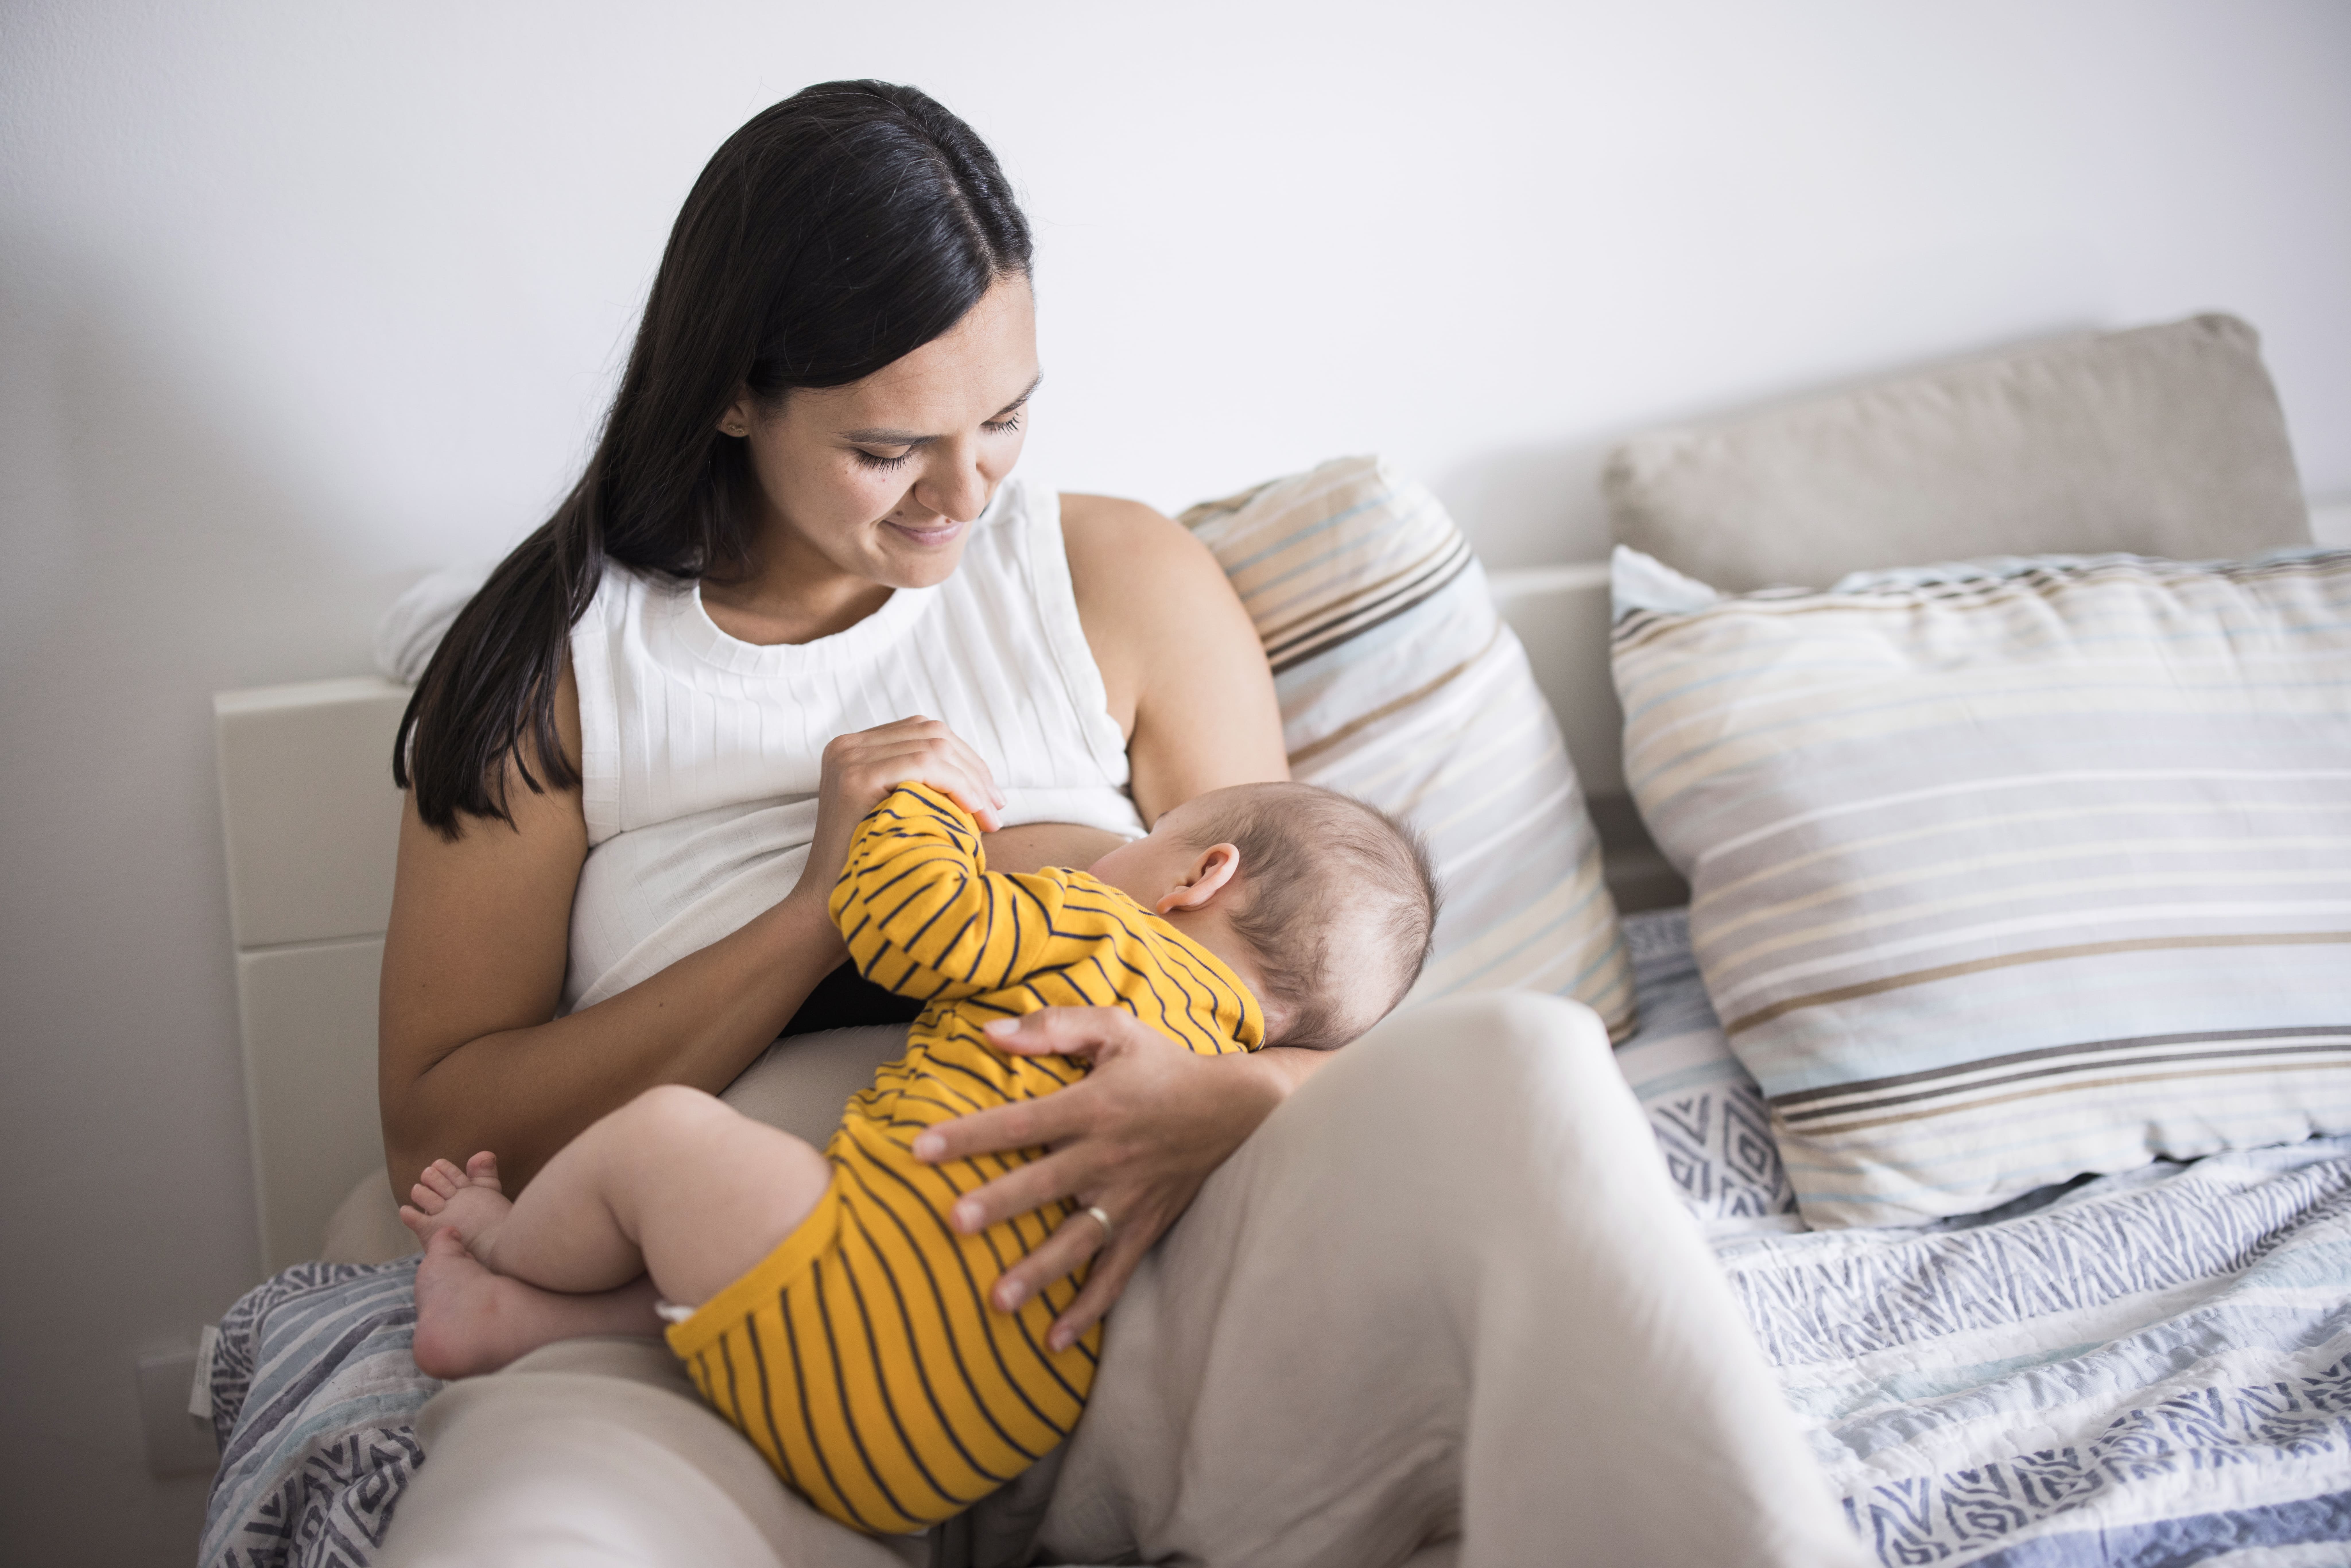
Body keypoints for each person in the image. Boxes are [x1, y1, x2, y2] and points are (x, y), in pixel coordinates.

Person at [377, 79, 1865, 1566]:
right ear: (732, 393)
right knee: (521, 1535)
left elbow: (1303, 996)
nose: (964, 496)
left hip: (1135, 1283)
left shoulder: (1117, 574)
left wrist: (1234, 1101)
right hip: (720, 1331)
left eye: (1008, 418)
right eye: (892, 447)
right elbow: (439, 1127)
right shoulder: (558, 669)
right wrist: (811, 914)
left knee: (1530, 1062)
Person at [397, 775, 1438, 1536]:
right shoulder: (1220, 1070)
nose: (1106, 856)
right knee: (835, 1251)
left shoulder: (1097, 927)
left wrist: (923, 805)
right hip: (968, 1444)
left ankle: (502, 1246)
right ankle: (516, 1323)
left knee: (662, 1135)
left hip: (857, 1325)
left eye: (1147, 834)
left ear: (1201, 875)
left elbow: (905, 924)